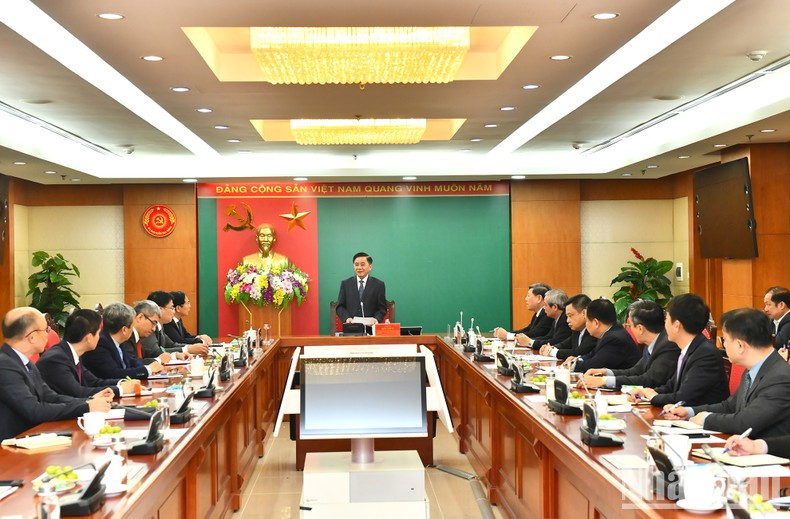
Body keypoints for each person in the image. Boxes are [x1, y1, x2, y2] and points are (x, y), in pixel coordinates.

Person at [660, 308, 790, 438]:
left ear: (740, 345)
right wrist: (689, 411)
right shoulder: (754, 368)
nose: (724, 345)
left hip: (767, 449)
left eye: (725, 340)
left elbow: (745, 423)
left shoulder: (780, 378)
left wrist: (706, 419)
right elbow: (729, 407)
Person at [0, 307, 111, 440]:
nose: (48, 335)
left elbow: (51, 397)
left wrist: (89, 402)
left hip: (32, 435)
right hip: (13, 443)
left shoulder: (24, 362)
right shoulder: (4, 365)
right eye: (46, 329)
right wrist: (86, 407)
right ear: (32, 337)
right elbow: (34, 411)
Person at [629, 293, 729, 408]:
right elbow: (671, 386)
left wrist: (653, 397)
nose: (664, 325)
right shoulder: (690, 348)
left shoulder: (705, 354)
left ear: (677, 325)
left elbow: (683, 398)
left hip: (699, 416)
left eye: (666, 319)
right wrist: (646, 393)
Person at [37, 309, 138, 398]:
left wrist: (122, 383)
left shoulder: (71, 352)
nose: (99, 337)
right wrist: (120, 390)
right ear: (89, 338)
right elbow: (78, 393)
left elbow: (93, 382)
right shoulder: (56, 359)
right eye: (98, 333)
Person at [582, 300, 679, 390]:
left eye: (630, 325)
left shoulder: (667, 346)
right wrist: (605, 372)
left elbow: (649, 380)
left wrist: (604, 381)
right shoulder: (651, 343)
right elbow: (636, 371)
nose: (629, 330)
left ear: (640, 328)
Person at [81, 302, 163, 379]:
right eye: (132, 326)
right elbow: (115, 374)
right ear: (124, 330)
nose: (133, 330)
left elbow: (130, 361)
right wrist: (147, 370)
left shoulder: (117, 341)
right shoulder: (100, 344)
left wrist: (149, 368)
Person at [564, 298, 641, 372]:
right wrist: (577, 359)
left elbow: (595, 365)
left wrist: (572, 365)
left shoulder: (614, 339)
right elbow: (593, 354)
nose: (586, 325)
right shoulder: (611, 331)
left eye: (587, 321)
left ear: (596, 323)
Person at [145, 291, 207, 356]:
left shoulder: (160, 326)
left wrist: (189, 347)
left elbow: (171, 344)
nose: (174, 312)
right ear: (160, 309)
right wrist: (187, 349)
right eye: (171, 308)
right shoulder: (150, 328)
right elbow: (156, 352)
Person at [539, 294, 597, 360]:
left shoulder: (593, 331)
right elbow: (564, 344)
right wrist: (551, 347)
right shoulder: (577, 330)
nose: (567, 320)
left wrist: (551, 352)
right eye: (567, 316)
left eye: (570, 316)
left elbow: (579, 352)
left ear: (584, 313)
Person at [335, 252, 387, 323]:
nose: (359, 268)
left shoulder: (378, 285)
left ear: (370, 267)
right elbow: (340, 307)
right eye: (356, 265)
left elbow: (382, 308)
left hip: (371, 326)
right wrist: (347, 318)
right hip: (351, 326)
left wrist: (376, 319)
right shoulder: (345, 284)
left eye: (362, 264)